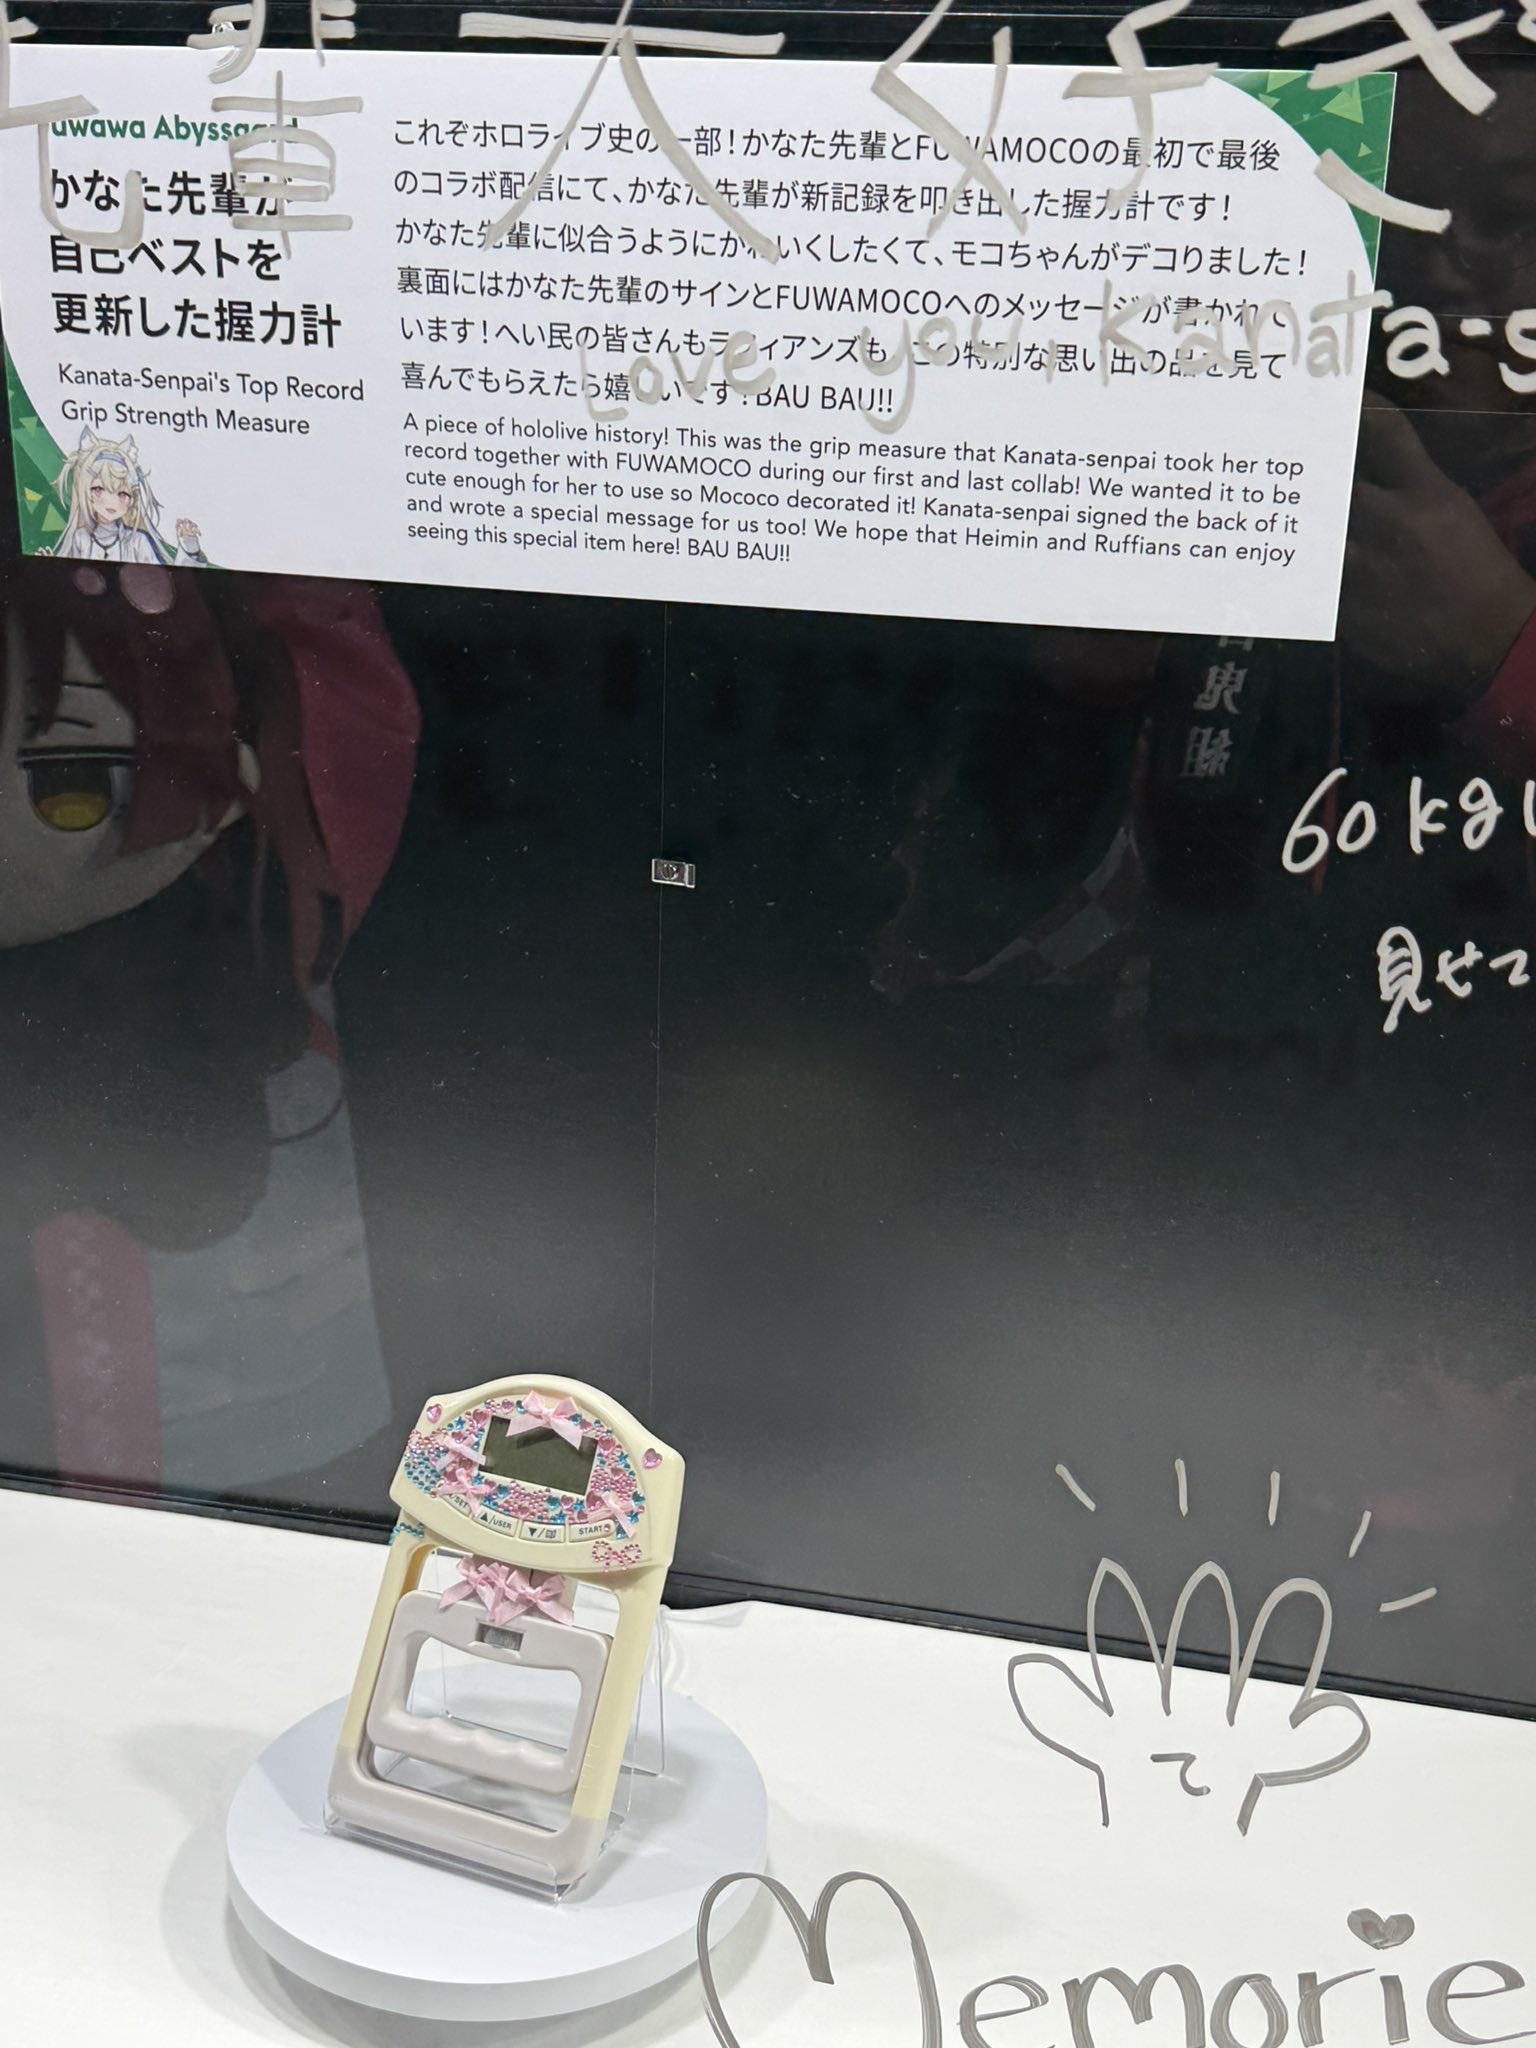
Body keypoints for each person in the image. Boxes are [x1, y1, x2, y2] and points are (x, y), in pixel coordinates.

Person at [50, 430, 206, 566]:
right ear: (85, 492)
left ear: (132, 500)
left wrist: (189, 546)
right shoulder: (80, 538)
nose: (111, 501)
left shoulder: (138, 541)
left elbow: (170, 581)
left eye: (122, 494)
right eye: (98, 490)